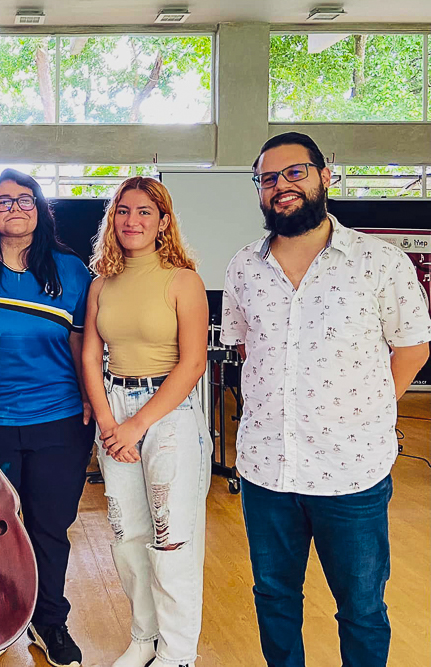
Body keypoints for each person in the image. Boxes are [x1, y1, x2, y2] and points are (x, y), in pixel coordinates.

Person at [221, 132, 431, 667]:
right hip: (267, 470)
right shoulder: (244, 266)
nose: (281, 186)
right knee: (273, 599)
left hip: (351, 471)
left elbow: (411, 348)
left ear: (324, 176)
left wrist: (369, 409)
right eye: (268, 179)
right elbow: (247, 347)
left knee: (361, 608)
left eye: (295, 172)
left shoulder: (378, 261)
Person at [0, 169, 92, 667]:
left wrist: (92, 402)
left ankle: (49, 620)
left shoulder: (71, 271)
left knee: (51, 527)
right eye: (3, 201)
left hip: (59, 420)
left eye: (24, 199)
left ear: (40, 209)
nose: (14, 208)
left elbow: (83, 344)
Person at [81, 177, 211, 667]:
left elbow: (194, 363)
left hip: (169, 415)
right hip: (115, 410)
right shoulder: (101, 285)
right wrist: (113, 423)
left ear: (163, 222)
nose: (132, 221)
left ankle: (178, 655)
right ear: (112, 220)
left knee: (171, 540)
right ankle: (144, 638)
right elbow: (91, 358)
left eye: (144, 212)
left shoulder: (183, 281)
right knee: (128, 536)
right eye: (123, 211)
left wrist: (136, 426)